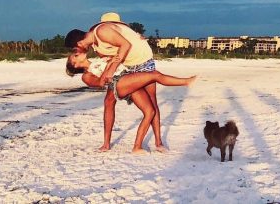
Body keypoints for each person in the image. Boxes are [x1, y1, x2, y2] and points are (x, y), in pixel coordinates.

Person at [65, 15, 164, 153]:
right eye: (75, 54)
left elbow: (123, 45)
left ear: (79, 44)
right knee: (109, 101)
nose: (76, 52)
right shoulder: (95, 47)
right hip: (124, 72)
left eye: (75, 51)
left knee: (151, 101)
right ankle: (107, 144)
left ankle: (158, 142)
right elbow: (108, 63)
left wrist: (137, 40)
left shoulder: (102, 31)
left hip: (139, 63)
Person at [65, 51, 196, 152]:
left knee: (150, 111)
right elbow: (100, 83)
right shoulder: (86, 76)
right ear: (75, 65)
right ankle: (186, 82)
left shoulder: (98, 60)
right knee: (154, 75)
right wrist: (110, 65)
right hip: (119, 83)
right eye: (75, 56)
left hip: (128, 78)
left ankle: (137, 147)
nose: (78, 53)